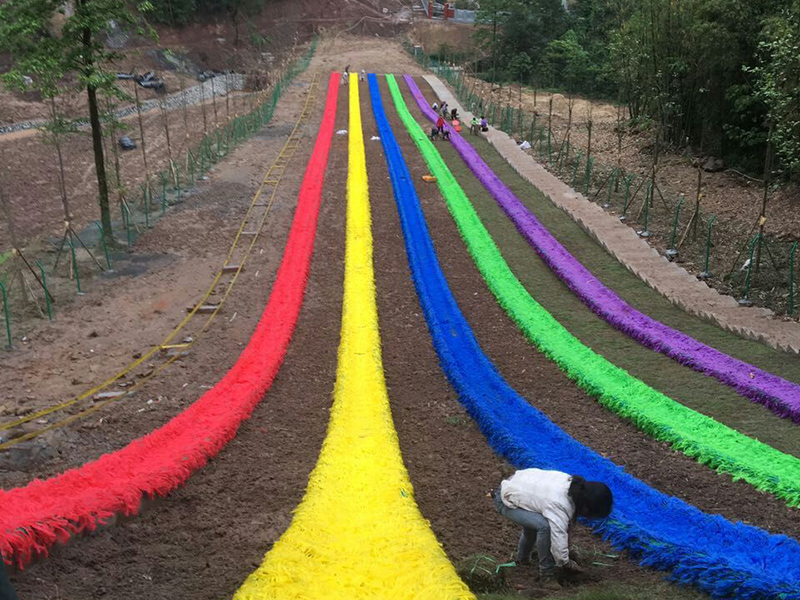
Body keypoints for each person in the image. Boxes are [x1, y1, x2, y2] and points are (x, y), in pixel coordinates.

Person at [493, 468, 613, 589]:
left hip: (520, 485)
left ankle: (522, 560)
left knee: (534, 525)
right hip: (505, 499)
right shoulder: (560, 505)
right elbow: (558, 534)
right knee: (544, 527)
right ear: (586, 507)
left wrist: (566, 553)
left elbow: (565, 527)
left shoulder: (572, 485)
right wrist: (566, 562)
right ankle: (546, 575)